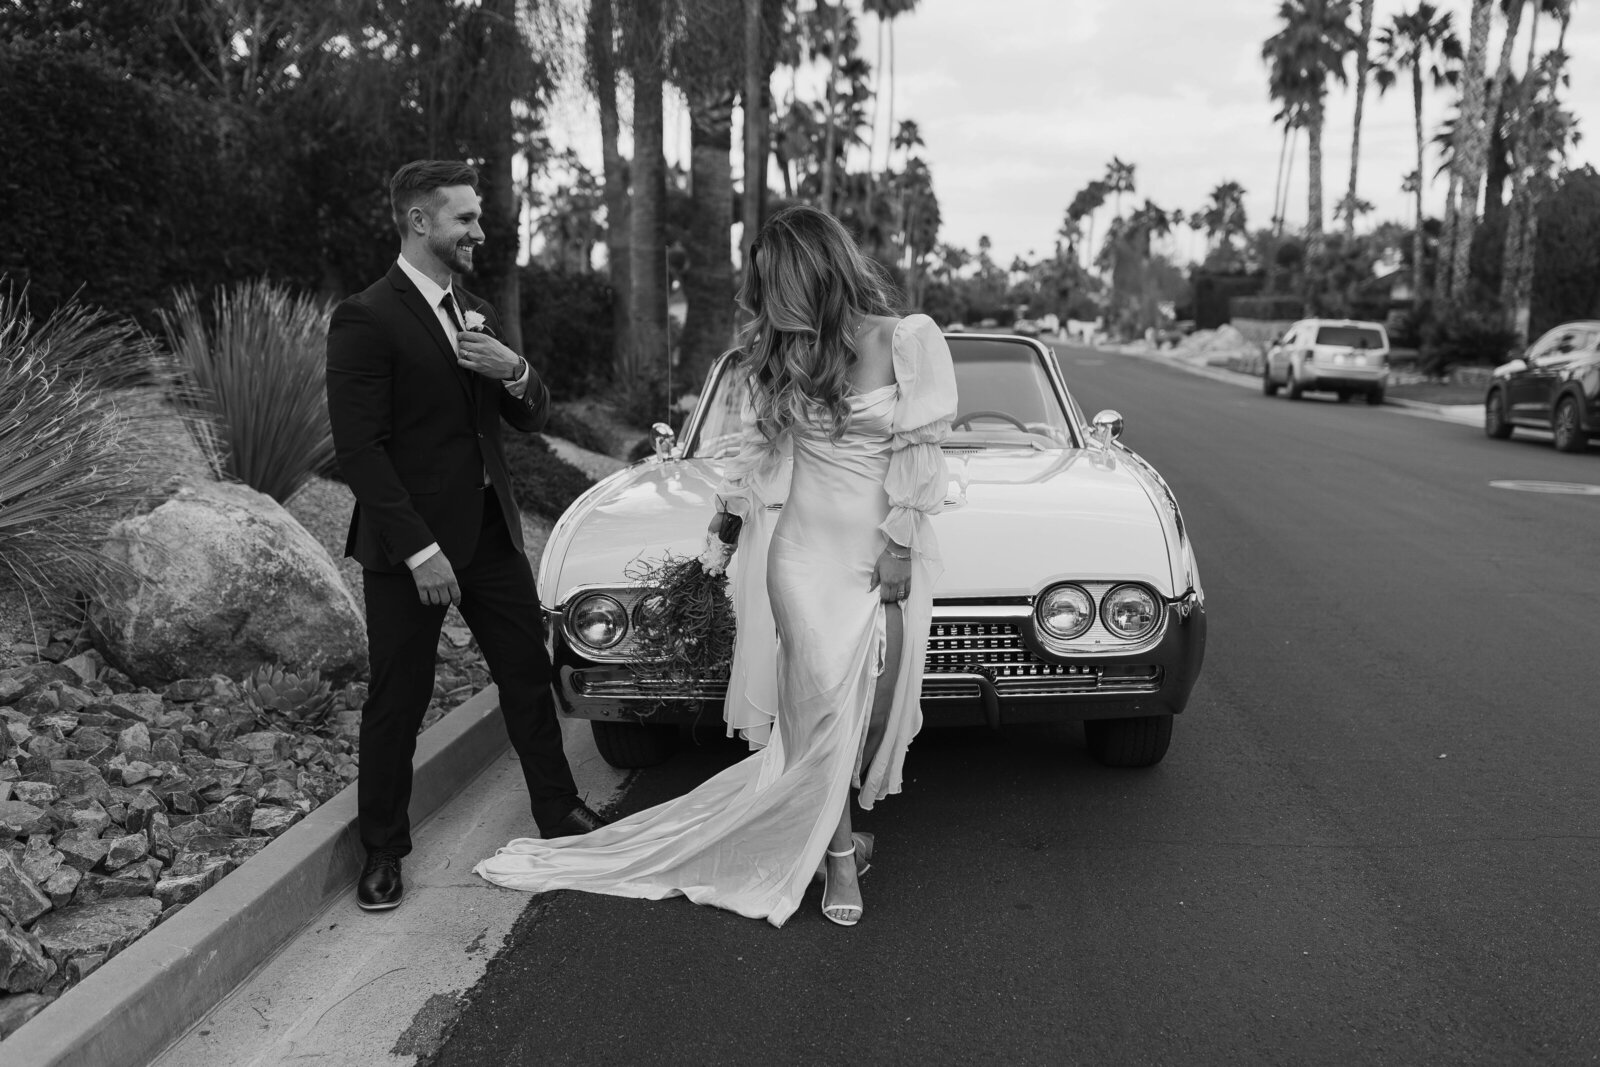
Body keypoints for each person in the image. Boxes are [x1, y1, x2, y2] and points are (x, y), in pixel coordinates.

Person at [475, 205, 956, 928]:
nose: (766, 304)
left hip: (877, 547)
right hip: (799, 557)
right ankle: (837, 857)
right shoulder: (776, 354)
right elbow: (757, 460)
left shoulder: (909, 340)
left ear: (815, 276)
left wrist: (897, 547)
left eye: (776, 286)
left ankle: (834, 827)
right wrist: (721, 537)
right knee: (816, 701)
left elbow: (922, 455)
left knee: (859, 705)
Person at [326, 159, 606, 912]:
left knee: (526, 672)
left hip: (488, 534)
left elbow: (529, 417)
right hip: (409, 548)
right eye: (465, 219)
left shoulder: (472, 310)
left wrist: (514, 369)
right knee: (398, 699)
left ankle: (559, 811)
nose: (480, 230)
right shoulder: (366, 316)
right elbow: (360, 451)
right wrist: (420, 550)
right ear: (420, 222)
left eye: (478, 217)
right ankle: (383, 849)